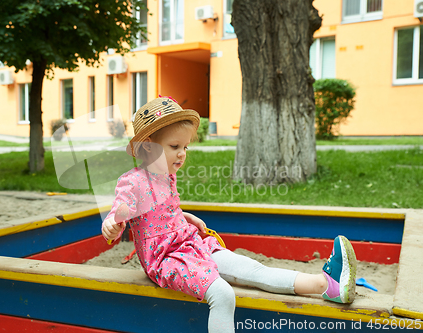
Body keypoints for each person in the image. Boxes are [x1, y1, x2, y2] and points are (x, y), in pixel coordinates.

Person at [101, 97, 357, 333]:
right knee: (223, 295)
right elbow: (121, 211)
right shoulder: (132, 181)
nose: (182, 153)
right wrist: (112, 224)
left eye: (186, 147)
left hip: (191, 244)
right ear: (147, 148)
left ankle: (328, 286)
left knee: (253, 269)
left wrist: (183, 216)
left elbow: (159, 210)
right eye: (174, 146)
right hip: (167, 259)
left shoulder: (168, 176)